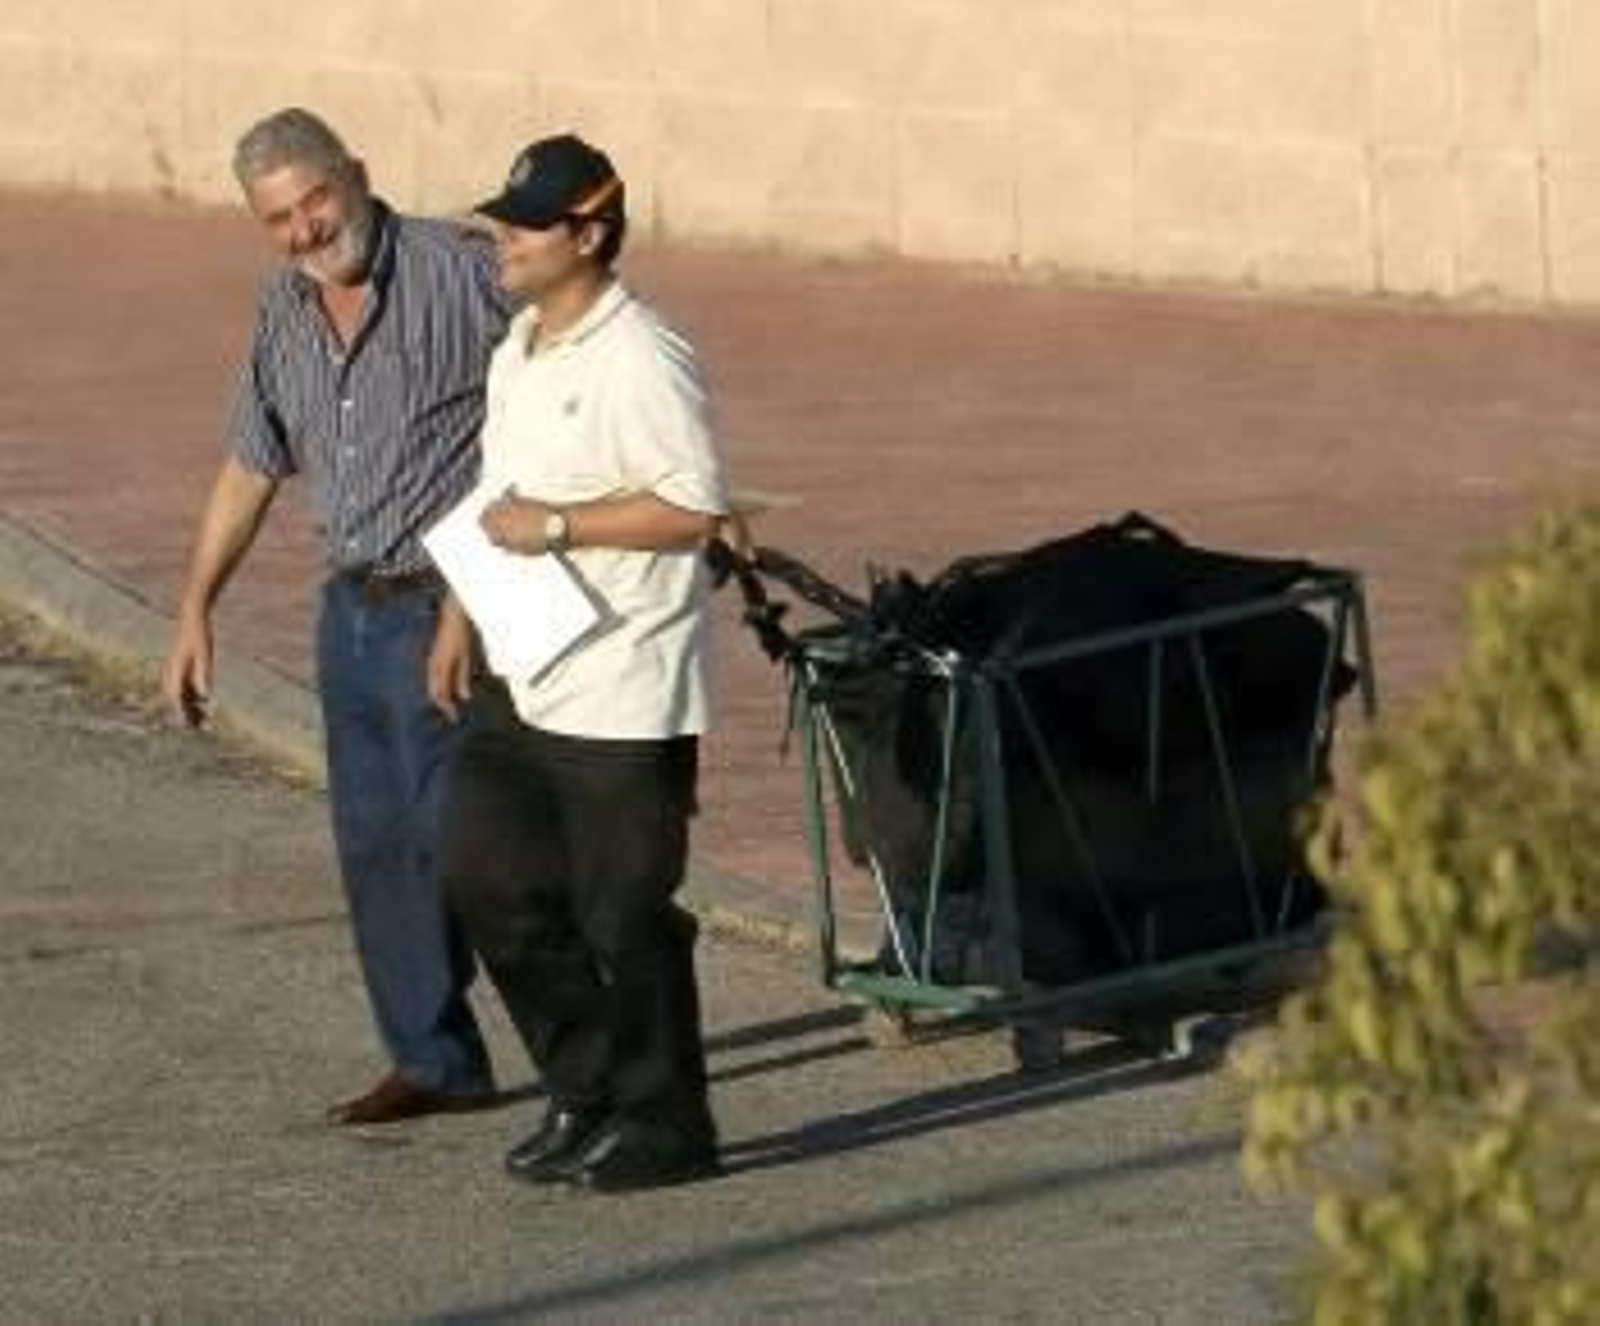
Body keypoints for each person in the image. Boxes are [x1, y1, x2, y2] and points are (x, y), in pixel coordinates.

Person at [161, 108, 509, 1125]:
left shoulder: (462, 272)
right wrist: (195, 609)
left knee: (465, 841)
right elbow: (249, 464)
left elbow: (556, 394)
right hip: (350, 614)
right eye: (280, 218)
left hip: (453, 605)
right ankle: (433, 1061)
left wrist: (488, 586)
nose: (308, 228)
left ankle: (599, 1040)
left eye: (316, 199)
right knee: (376, 845)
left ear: (355, 175)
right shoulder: (283, 310)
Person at [436, 133, 729, 1193]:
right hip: (519, 670)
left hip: (622, 686)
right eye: (500, 222)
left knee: (623, 914)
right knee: (486, 879)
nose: (501, 240)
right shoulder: (518, 347)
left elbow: (695, 507)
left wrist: (560, 525)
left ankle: (667, 1125)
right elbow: (493, 495)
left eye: (524, 224)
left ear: (590, 233)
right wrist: (459, 618)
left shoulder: (642, 354)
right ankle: (588, 1088)